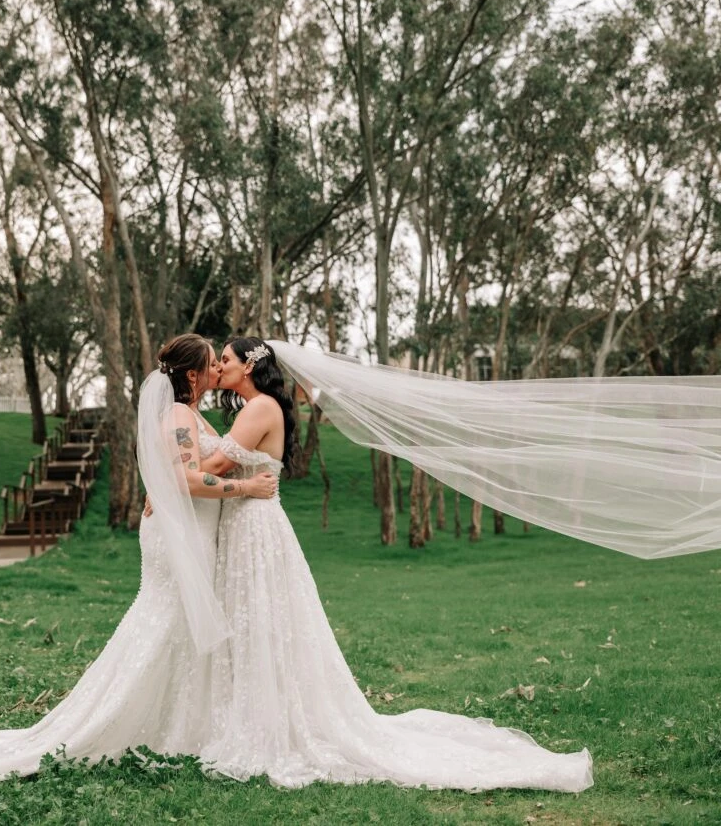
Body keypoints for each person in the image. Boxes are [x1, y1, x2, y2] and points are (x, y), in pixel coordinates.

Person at [0, 334, 277, 788]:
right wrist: (244, 488)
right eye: (213, 362)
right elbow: (183, 475)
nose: (219, 367)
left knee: (171, 623)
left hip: (185, 530)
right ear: (193, 374)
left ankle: (176, 724)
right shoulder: (178, 413)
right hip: (180, 534)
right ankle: (127, 722)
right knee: (166, 621)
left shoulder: (187, 412)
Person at [192, 337, 593, 792]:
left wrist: (172, 470)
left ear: (248, 366)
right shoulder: (254, 407)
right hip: (246, 525)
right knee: (252, 621)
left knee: (262, 620)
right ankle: (253, 714)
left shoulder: (260, 407)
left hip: (255, 528)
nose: (219, 365)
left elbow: (221, 462)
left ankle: (269, 724)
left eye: (225, 359)